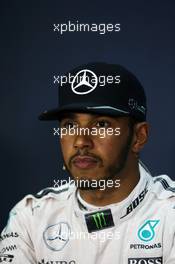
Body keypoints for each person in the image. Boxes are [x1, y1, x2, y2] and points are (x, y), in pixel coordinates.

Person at [0, 62, 175, 264]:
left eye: (101, 124)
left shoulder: (168, 213)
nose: (81, 141)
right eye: (70, 125)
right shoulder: (29, 218)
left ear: (139, 137)